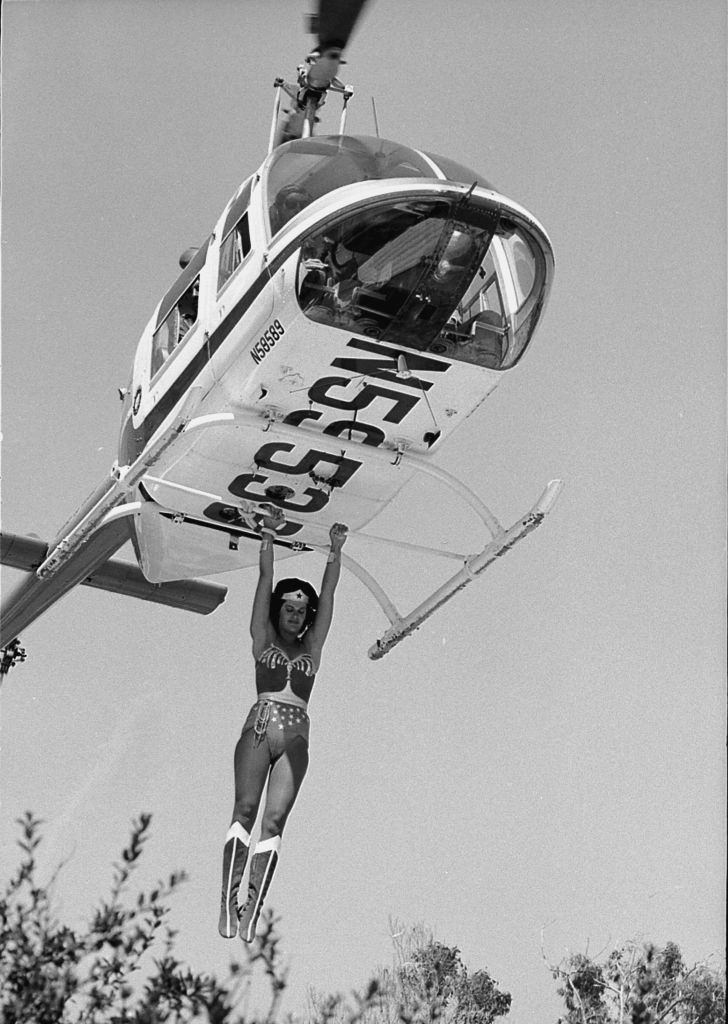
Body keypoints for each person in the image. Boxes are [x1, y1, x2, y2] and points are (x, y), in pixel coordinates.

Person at [218, 509, 349, 942]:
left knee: (274, 821)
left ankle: (251, 907)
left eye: (301, 608)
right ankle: (226, 899)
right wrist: (268, 540)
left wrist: (335, 552)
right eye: (288, 606)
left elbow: (329, 600)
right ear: (280, 609)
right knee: (245, 810)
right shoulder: (263, 638)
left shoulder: (313, 643)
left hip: (295, 734)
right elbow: (262, 584)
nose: (295, 613)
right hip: (260, 725)